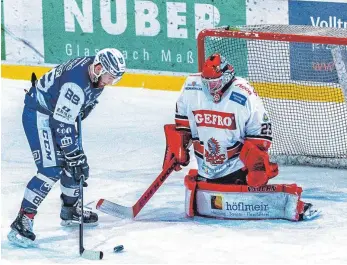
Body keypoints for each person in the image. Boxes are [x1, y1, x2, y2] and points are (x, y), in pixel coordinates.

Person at [162, 53, 319, 221]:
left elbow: (260, 132)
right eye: (207, 82)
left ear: (226, 77)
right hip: (204, 169)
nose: (210, 87)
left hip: (235, 169)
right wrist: (178, 144)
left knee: (256, 168)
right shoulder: (192, 86)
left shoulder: (244, 92)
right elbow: (182, 122)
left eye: (214, 83)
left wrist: (257, 165)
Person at [7, 48, 126, 247]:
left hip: (57, 114)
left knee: (76, 166)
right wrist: (72, 152)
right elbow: (60, 123)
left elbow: (70, 111)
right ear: (98, 68)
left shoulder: (93, 70)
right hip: (40, 114)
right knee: (51, 169)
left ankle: (70, 210)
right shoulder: (76, 84)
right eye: (110, 77)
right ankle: (23, 220)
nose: (111, 82)